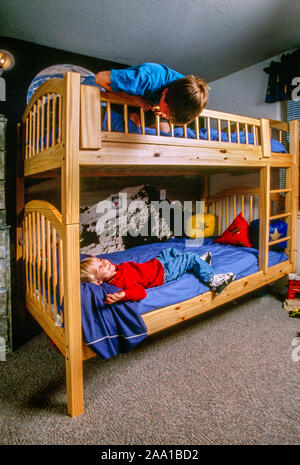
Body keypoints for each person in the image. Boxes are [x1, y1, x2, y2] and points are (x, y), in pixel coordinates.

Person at [80, 249, 235, 304]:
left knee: (171, 251)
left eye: (101, 259)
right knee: (190, 257)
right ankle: (213, 280)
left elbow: (106, 265)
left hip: (156, 264)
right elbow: (140, 292)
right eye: (101, 267)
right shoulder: (120, 283)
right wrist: (124, 295)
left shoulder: (115, 270)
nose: (105, 262)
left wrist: (93, 260)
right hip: (163, 274)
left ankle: (199, 265)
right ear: (99, 281)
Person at [95, 63, 209, 133]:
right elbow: (100, 78)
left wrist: (161, 109)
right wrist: (136, 100)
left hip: (148, 98)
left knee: (165, 132)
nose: (164, 116)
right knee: (132, 124)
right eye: (166, 111)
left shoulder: (186, 92)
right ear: (165, 92)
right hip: (118, 90)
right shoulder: (145, 79)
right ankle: (130, 117)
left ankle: (135, 116)